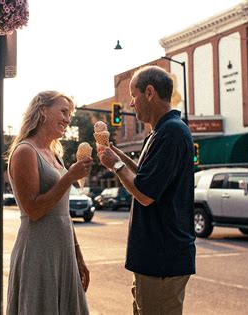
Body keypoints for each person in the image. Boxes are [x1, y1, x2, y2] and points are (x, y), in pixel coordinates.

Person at [97, 66, 196, 314]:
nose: (130, 103)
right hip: (152, 259)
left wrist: (116, 165)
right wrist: (117, 155)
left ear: (149, 92)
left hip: (162, 260)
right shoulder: (160, 131)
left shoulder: (172, 132)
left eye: (133, 95)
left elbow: (145, 194)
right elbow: (145, 177)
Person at [6, 90, 93, 314]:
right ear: (43, 111)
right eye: (63, 111)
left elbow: (63, 213)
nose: (67, 119)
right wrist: (69, 177)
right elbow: (33, 210)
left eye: (70, 114)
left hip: (63, 252)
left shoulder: (54, 154)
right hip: (38, 251)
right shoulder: (25, 151)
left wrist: (78, 256)